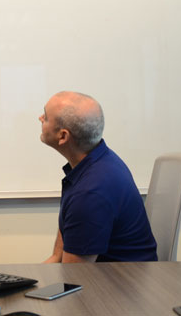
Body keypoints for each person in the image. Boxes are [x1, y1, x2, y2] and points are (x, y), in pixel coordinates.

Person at [39, 91, 157, 263]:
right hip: (107, 281)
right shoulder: (96, 162)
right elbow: (58, 257)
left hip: (116, 287)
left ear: (63, 136)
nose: (40, 118)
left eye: (46, 117)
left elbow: (73, 279)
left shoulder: (90, 192)